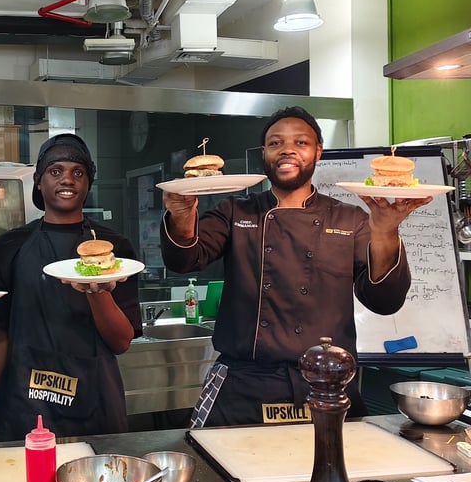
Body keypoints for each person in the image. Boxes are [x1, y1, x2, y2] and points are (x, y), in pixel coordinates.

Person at [160, 106, 433, 428]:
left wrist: (386, 231)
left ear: (318, 151)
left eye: (301, 142)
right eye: (275, 143)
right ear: (264, 153)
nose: (287, 149)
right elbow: (185, 260)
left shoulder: (351, 219)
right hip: (245, 385)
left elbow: (384, 301)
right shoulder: (235, 212)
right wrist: (182, 215)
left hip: (327, 384)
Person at [0, 133, 142, 443]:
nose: (68, 179)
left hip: (94, 405)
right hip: (23, 403)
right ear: (38, 181)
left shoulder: (113, 249)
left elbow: (121, 342)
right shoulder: (11, 245)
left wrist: (96, 289)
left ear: (88, 183)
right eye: (56, 170)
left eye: (78, 172)